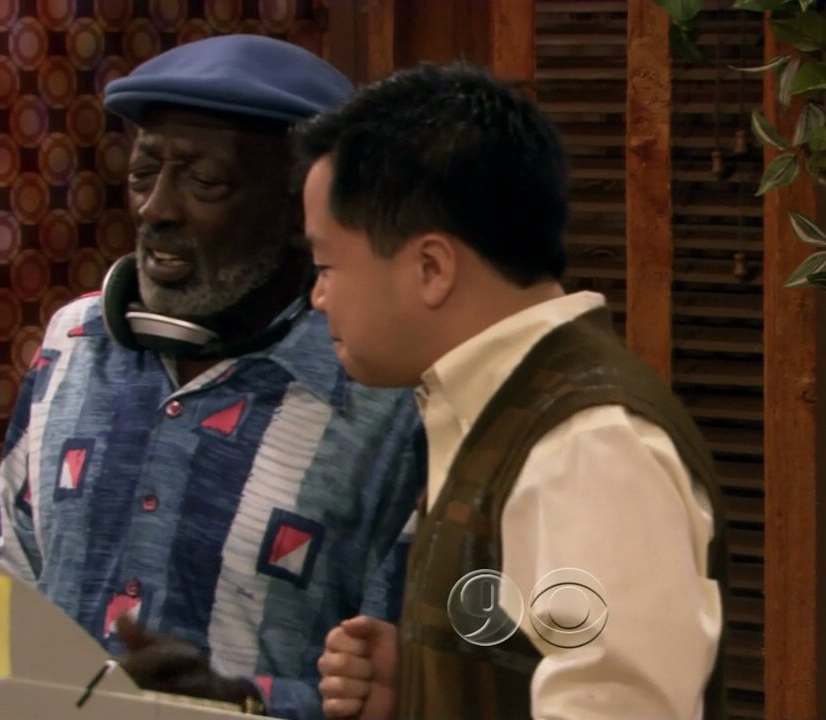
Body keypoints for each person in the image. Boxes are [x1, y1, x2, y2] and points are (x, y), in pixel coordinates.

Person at [0, 35, 425, 720]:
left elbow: (408, 685)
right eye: (143, 174)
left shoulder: (387, 392)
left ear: (305, 210)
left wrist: (238, 704)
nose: (157, 208)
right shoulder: (73, 341)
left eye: (204, 182)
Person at [300, 63, 727, 719]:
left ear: (431, 267)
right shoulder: (495, 412)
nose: (318, 296)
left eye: (327, 264)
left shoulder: (584, 446)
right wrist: (426, 683)